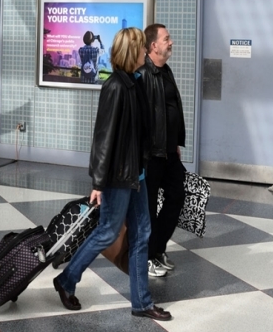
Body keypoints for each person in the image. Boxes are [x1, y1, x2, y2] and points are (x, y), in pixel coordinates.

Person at [52, 27, 172, 322]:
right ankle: (66, 281)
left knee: (142, 233)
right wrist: (98, 182)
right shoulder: (115, 86)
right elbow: (103, 138)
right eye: (141, 48)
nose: (146, 52)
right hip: (119, 176)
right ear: (132, 51)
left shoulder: (134, 82)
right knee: (106, 231)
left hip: (137, 175)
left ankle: (142, 303)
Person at [137, 24, 186, 277]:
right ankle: (146, 256)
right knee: (148, 206)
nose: (171, 42)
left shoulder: (166, 71)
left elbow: (170, 109)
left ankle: (157, 249)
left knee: (177, 195)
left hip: (168, 152)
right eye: (167, 38)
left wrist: (175, 142)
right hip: (150, 155)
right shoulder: (143, 75)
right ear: (153, 45)